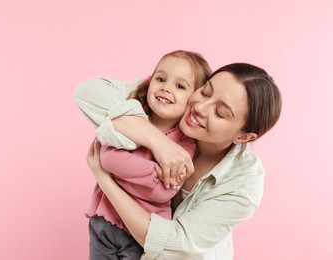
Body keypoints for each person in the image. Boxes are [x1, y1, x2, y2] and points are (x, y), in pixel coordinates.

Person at [75, 62, 282, 259]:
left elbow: (174, 247)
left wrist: (105, 179)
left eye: (220, 113)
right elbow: (89, 93)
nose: (200, 108)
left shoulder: (244, 186)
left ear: (243, 137)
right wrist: (159, 143)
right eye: (205, 91)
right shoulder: (176, 99)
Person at [77, 50, 212, 259]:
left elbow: (162, 193)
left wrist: (118, 172)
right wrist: (154, 173)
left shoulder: (185, 143)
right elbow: (108, 158)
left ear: (193, 100)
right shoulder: (132, 115)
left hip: (141, 232)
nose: (166, 88)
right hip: (103, 221)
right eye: (160, 79)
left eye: (180, 86)